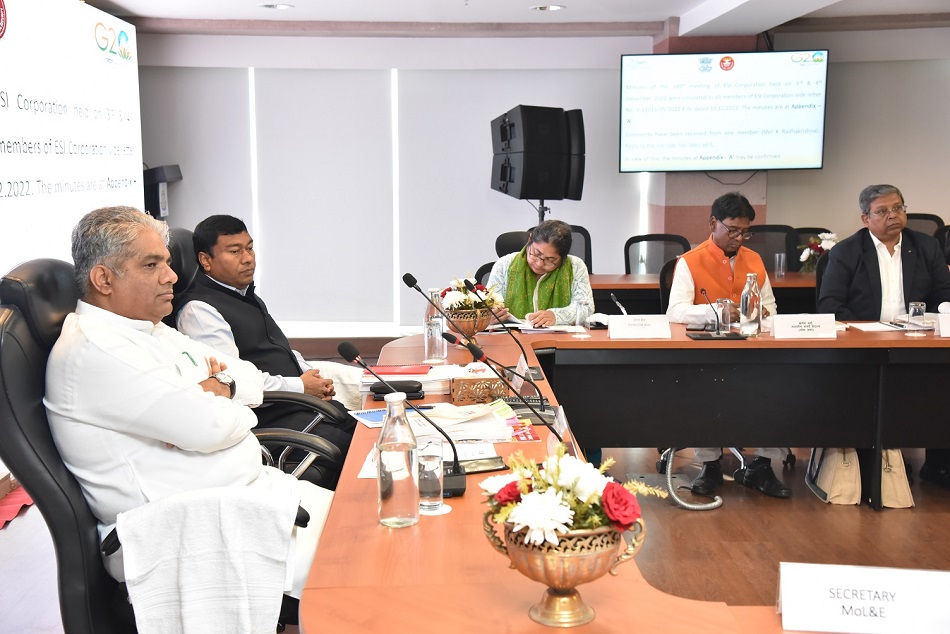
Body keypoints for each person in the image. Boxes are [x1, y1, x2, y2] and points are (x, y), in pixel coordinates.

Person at [44, 206, 332, 598]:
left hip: (243, 497)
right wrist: (219, 401)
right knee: (365, 566)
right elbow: (210, 427)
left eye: (166, 262)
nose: (172, 276)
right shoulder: (98, 349)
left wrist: (219, 387)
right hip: (181, 531)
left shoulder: (149, 329)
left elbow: (245, 376)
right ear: (104, 279)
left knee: (371, 523)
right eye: (151, 265)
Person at [175, 215, 358, 484]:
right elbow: (234, 381)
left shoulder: (244, 294)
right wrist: (301, 386)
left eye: (249, 248)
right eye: (235, 251)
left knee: (371, 434)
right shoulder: (200, 311)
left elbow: (277, 348)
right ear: (205, 260)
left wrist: (313, 377)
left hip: (303, 408)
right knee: (361, 455)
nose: (248, 258)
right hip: (272, 419)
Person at [818, 184, 950, 487]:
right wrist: (872, 331)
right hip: (865, 344)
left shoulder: (926, 247)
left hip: (918, 341)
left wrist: (941, 315)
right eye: (883, 211)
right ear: (865, 218)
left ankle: (939, 464)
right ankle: (875, 458)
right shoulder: (846, 251)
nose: (893, 215)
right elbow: (830, 305)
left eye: (898, 208)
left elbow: (944, 295)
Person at [667, 192, 791, 498]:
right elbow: (675, 311)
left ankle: (762, 466)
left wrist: (758, 312)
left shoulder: (755, 259)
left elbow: (771, 308)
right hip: (707, 349)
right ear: (713, 223)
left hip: (752, 348)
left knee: (777, 383)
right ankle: (710, 465)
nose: (738, 238)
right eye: (732, 230)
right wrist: (718, 312)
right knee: (704, 386)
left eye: (745, 232)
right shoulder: (690, 261)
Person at [487, 219, 594, 328]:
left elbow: (587, 308)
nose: (539, 264)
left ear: (563, 258)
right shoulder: (504, 265)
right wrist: (489, 316)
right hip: (512, 336)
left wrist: (556, 316)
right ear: (529, 240)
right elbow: (486, 307)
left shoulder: (575, 266)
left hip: (558, 337)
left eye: (550, 260)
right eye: (536, 254)